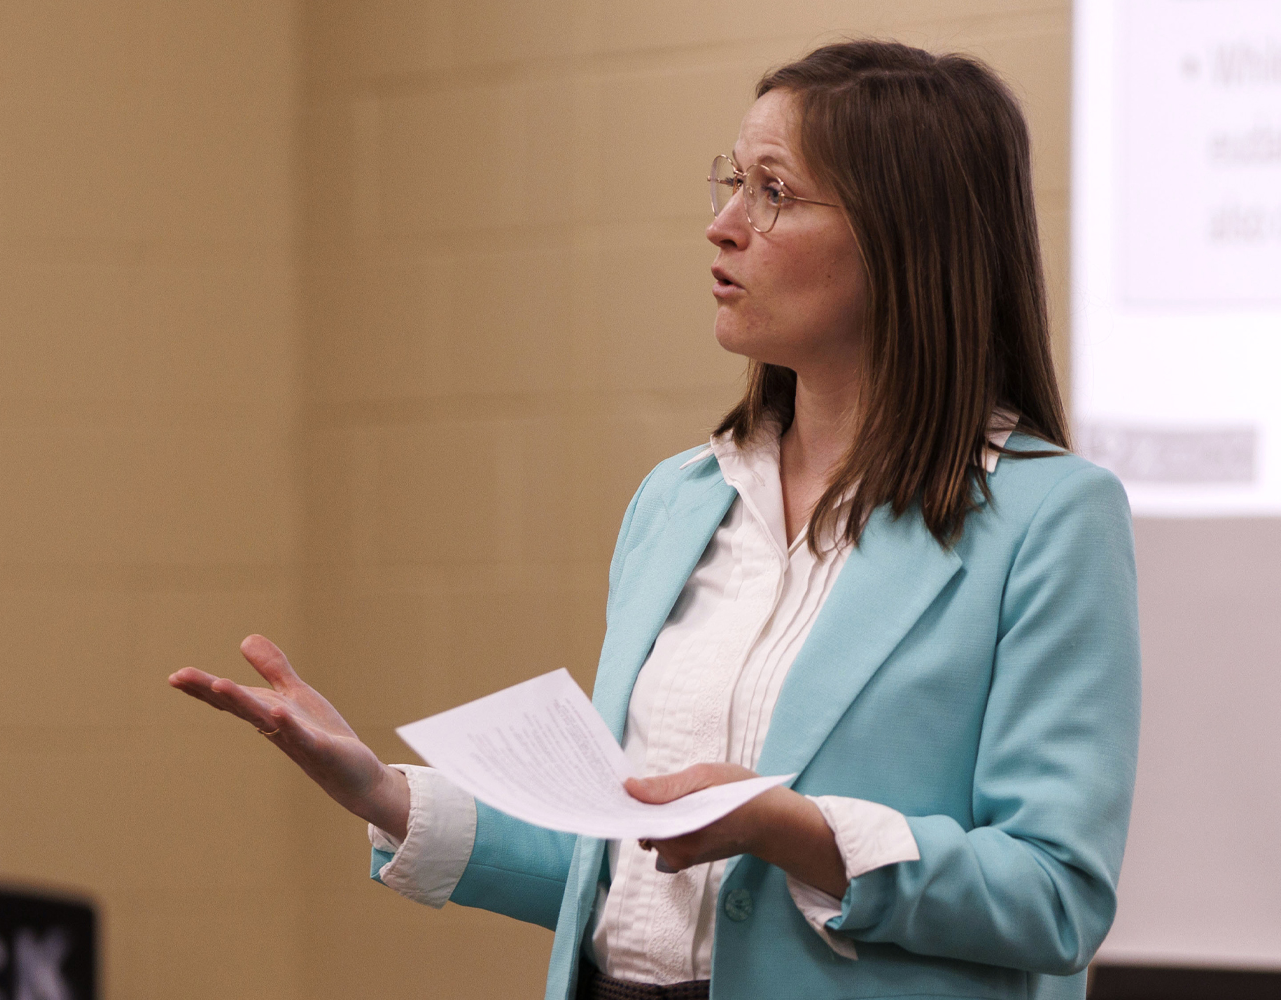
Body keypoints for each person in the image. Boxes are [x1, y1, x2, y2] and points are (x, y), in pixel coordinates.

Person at [168, 40, 1139, 1000]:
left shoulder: (1048, 518)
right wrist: (381, 790)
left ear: (904, 234)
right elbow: (626, 868)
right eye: (730, 181)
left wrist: (789, 827)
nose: (722, 225)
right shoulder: (678, 499)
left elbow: (1054, 897)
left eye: (773, 191)